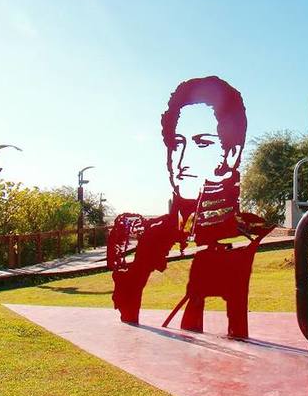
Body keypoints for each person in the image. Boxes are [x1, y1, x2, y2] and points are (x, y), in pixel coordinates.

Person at [107, 76, 272, 338]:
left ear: (232, 153)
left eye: (202, 143)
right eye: (177, 144)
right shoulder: (156, 232)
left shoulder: (246, 235)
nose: (181, 161)